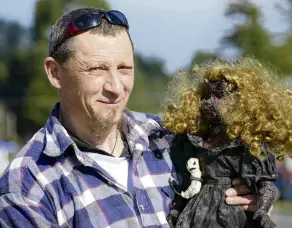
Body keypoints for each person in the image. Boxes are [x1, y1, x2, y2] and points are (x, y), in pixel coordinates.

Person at [0, 8, 265, 227]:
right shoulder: (27, 187)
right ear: (55, 73)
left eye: (125, 68)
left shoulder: (172, 140)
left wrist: (244, 201)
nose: (116, 87)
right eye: (97, 69)